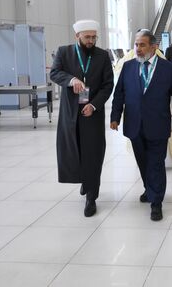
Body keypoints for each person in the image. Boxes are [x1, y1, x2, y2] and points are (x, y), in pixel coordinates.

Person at [111, 30, 172, 221]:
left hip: (158, 123)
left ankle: (156, 202)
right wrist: (115, 117)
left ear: (154, 46)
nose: (138, 49)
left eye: (142, 45)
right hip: (135, 124)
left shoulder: (168, 68)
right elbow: (119, 94)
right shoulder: (127, 67)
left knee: (156, 163)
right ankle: (149, 189)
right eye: (136, 44)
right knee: (143, 162)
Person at [50, 20, 114, 217]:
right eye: (87, 37)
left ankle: (91, 197)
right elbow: (55, 73)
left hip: (92, 113)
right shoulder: (64, 52)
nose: (91, 41)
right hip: (71, 113)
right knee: (73, 150)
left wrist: (94, 105)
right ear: (77, 36)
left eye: (94, 37)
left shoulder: (102, 55)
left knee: (93, 154)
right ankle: (84, 182)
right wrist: (72, 80)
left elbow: (108, 85)